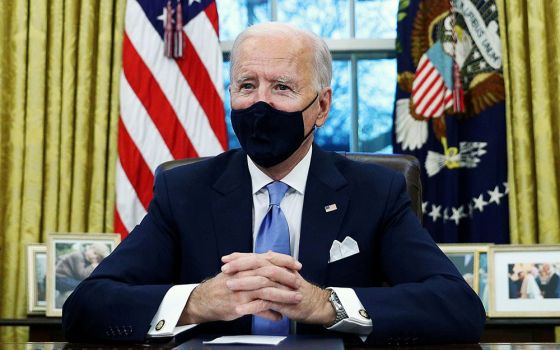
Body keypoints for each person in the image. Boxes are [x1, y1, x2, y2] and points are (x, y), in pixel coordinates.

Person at [62, 22, 485, 345]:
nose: (260, 103)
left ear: (321, 106)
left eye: (281, 87)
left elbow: (458, 307)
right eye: (247, 85)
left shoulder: (375, 191)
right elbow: (86, 305)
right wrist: (196, 302)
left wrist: (326, 304)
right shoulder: (185, 191)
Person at [55, 243, 110, 308]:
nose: (94, 257)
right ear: (89, 249)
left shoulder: (87, 260)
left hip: (68, 280)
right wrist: (92, 266)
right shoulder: (78, 256)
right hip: (60, 279)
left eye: (98, 258)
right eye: (94, 253)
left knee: (86, 285)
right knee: (83, 285)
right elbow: (81, 275)